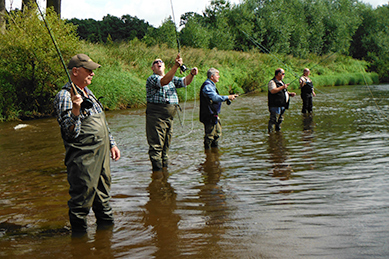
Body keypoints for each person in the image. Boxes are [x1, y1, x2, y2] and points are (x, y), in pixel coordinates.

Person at [53, 54, 121, 234]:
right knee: (81, 203)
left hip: (102, 154)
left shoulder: (88, 93)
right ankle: (79, 243)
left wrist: (112, 143)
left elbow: (103, 124)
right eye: (88, 70)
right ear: (75, 71)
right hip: (83, 159)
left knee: (103, 198)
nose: (92, 73)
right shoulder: (64, 96)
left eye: (93, 70)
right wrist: (75, 110)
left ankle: (106, 240)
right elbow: (69, 134)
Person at [146, 54, 198, 172]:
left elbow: (185, 82)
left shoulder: (172, 78)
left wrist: (192, 74)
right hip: (156, 116)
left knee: (166, 146)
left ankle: (164, 173)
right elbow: (164, 81)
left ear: (164, 66)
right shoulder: (152, 78)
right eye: (155, 62)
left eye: (161, 61)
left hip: (169, 117)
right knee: (156, 146)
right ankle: (158, 175)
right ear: (153, 68)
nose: (158, 63)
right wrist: (175, 66)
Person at [199, 68, 237, 150]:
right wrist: (228, 97)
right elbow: (215, 98)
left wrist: (227, 99)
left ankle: (214, 155)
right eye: (217, 75)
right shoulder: (207, 86)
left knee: (217, 134)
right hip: (209, 115)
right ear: (212, 76)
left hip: (213, 115)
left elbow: (214, 99)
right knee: (209, 137)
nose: (219, 76)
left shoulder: (211, 85)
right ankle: (208, 155)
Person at [268, 68, 296, 133]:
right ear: (279, 74)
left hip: (282, 105)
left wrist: (289, 94)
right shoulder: (272, 82)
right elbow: (273, 90)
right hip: (275, 105)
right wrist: (283, 87)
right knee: (273, 120)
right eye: (283, 74)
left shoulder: (281, 82)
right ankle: (271, 134)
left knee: (280, 120)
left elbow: (282, 91)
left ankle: (278, 133)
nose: (284, 75)